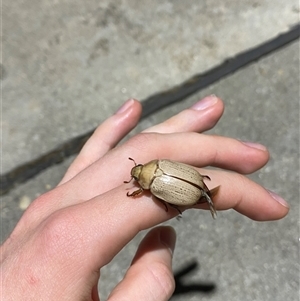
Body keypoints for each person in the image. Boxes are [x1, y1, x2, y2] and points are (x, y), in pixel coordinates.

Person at [1, 96, 289, 300]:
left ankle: (203, 193)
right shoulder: (159, 166)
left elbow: (164, 197)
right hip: (180, 179)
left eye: (137, 173)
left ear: (145, 172)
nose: (136, 174)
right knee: (177, 195)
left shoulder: (152, 183)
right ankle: (204, 192)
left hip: (179, 184)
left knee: (169, 199)